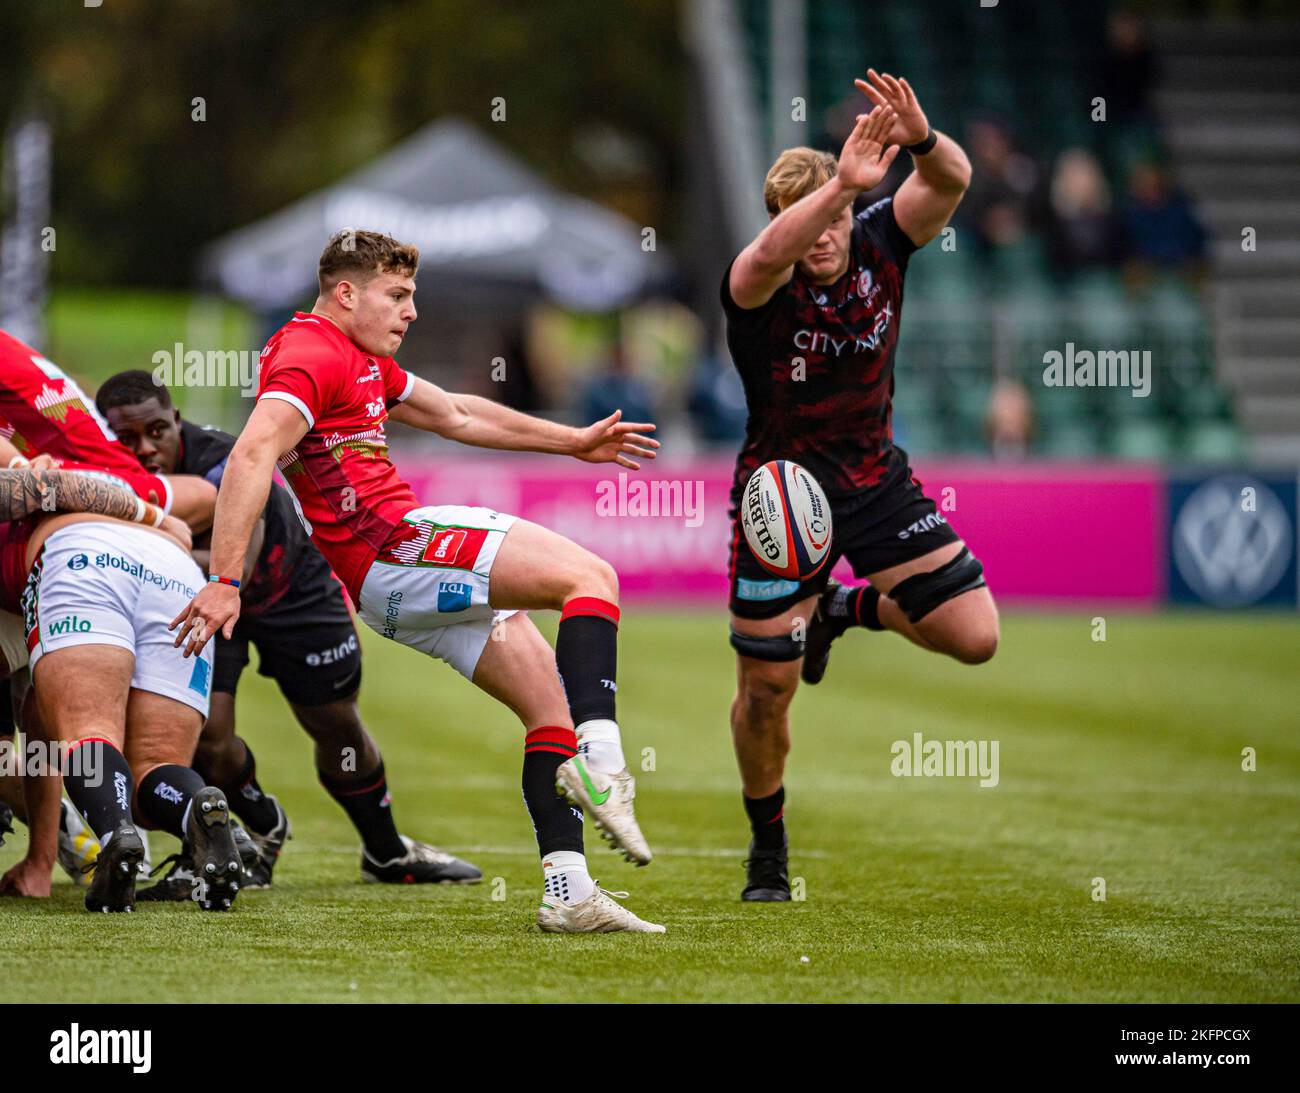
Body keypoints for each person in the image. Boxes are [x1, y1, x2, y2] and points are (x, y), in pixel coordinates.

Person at [170, 230, 666, 933]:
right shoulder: (311, 349)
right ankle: (606, 762)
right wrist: (225, 578)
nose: (410, 312)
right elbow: (252, 452)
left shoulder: (361, 359)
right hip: (397, 545)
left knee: (547, 708)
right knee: (591, 577)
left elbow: (459, 413)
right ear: (347, 294)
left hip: (390, 585)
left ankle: (569, 889)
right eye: (397, 296)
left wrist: (573, 441)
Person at [721, 71, 1000, 902]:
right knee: (765, 690)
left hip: (876, 479)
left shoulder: (882, 236)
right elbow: (766, 254)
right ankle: (767, 850)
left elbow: (952, 179)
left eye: (842, 217)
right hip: (781, 495)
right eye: (815, 221)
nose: (827, 237)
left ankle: (840, 609)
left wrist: (919, 137)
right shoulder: (759, 283)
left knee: (975, 636)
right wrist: (838, 181)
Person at [96, 371, 481, 892]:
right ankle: (259, 823)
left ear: (176, 422)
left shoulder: (223, 460)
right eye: (127, 438)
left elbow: (240, 570)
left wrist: (134, 547)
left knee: (335, 726)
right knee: (208, 735)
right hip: (202, 606)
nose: (145, 448)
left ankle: (387, 853)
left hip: (290, 591)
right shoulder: (103, 471)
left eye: (157, 431)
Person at [0, 464, 242, 911]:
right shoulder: (120, 471)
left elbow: (36, 728)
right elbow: (211, 493)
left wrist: (39, 859)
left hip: (80, 557)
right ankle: (194, 807)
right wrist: (153, 515)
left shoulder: (39, 478)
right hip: (175, 570)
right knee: (153, 769)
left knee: (87, 733)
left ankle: (116, 835)